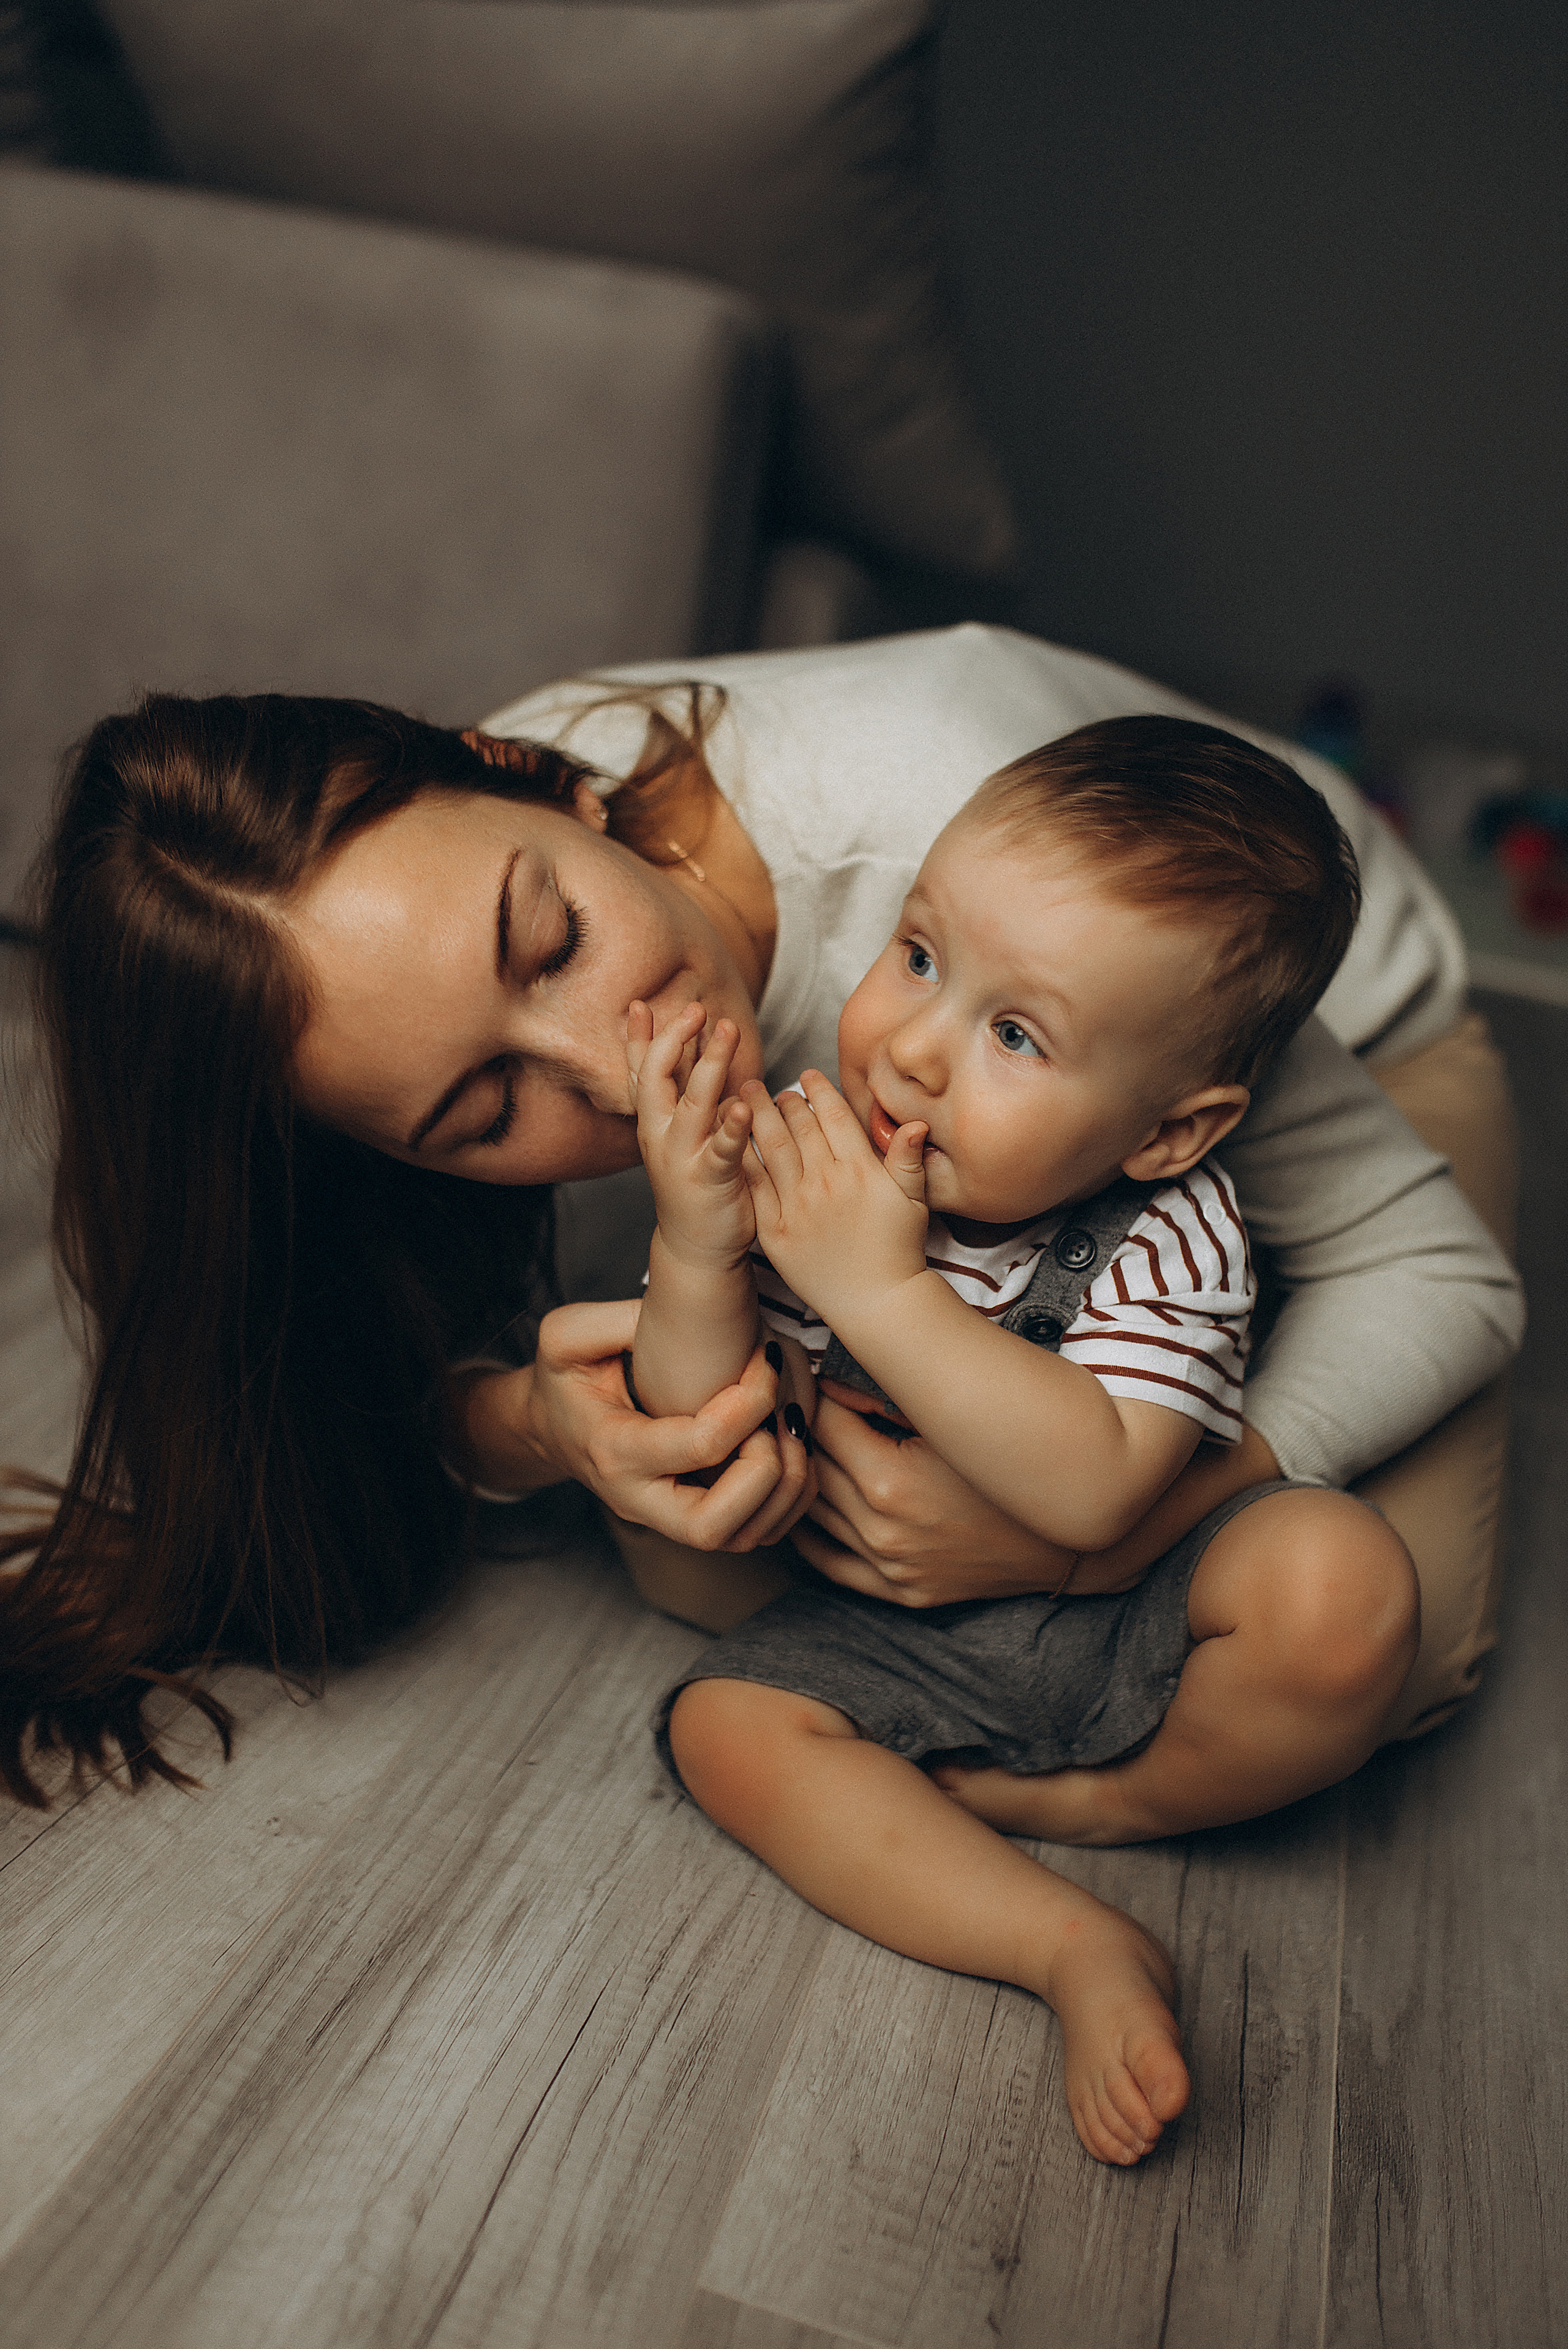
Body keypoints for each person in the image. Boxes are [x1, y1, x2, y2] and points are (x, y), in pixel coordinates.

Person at [0, 628, 1521, 1817]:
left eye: (557, 942)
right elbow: (375, 1383)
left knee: (1393, 1645)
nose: (616, 1069)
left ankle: (1077, 1775)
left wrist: (1110, 1532)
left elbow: (1437, 1274)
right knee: (688, 1543)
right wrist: (542, 1424)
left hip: (1305, 1029)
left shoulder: (984, 881)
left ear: (541, 778)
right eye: (481, 1116)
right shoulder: (372, 987)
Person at [626, 715, 1406, 2164]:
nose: (911, 1052)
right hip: (876, 1633)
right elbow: (686, 1419)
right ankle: (1058, 1941)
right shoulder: (813, 1147)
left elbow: (1095, 1481)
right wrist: (692, 1246)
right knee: (720, 1728)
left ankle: (1113, 1801)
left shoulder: (1173, 1229)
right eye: (918, 956)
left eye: (1013, 1034)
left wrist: (877, 1286)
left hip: (1135, 1626)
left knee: (1343, 1587)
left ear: (1170, 1133)